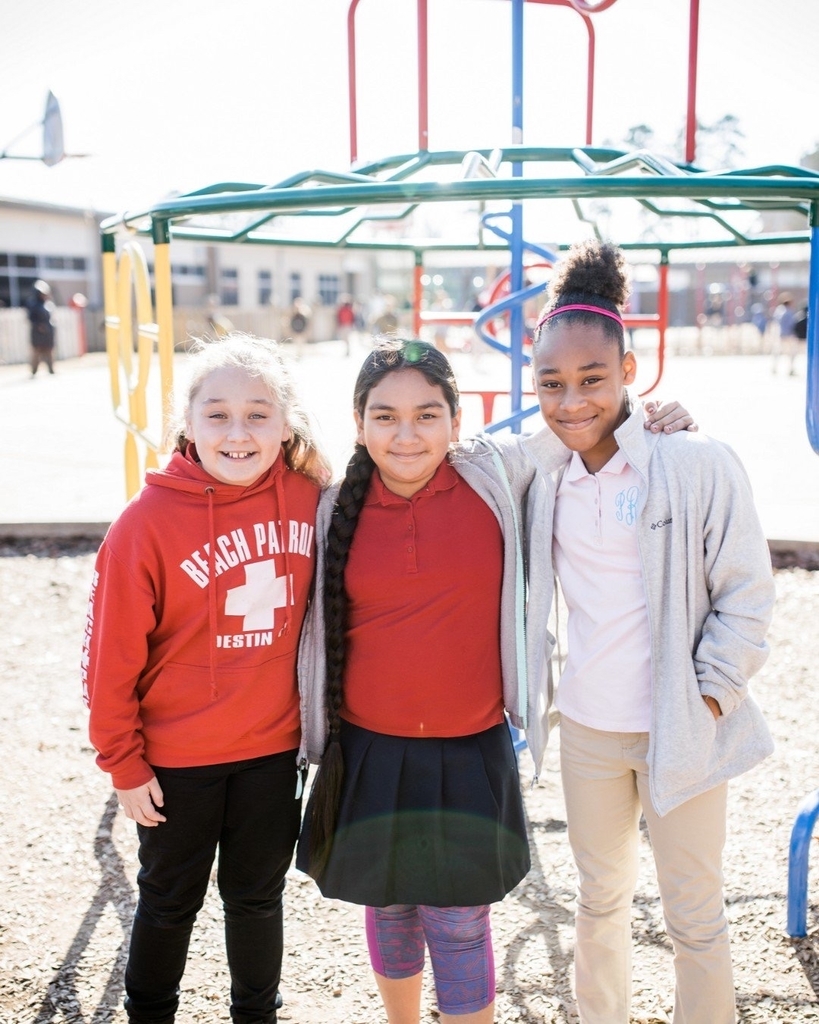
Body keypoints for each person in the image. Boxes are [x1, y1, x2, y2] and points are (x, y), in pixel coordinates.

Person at [295, 339, 693, 1024]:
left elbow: (581, 417)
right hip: (367, 746)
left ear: (457, 419)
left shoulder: (494, 477)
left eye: (427, 414)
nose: (406, 433)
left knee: (457, 921)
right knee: (388, 907)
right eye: (384, 416)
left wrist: (657, 417)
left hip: (468, 744)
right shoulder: (334, 507)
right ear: (358, 422)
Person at [529, 240, 775, 1024]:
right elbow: (432, 450)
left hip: (681, 724)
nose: (572, 400)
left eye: (592, 379)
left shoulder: (693, 461)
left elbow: (746, 593)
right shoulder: (536, 472)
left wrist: (707, 699)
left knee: (693, 910)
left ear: (630, 373)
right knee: (598, 901)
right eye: (552, 383)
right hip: (589, 730)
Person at [81, 333, 331, 1024]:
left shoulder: (314, 500)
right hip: (175, 760)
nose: (238, 431)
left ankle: (257, 1014)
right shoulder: (145, 524)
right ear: (187, 426)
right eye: (216, 413)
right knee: (168, 900)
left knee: (257, 897)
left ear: (287, 425)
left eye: (258, 413)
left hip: (270, 751)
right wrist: (122, 763)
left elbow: (413, 470)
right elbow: (110, 657)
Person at [27, 279, 56, 375]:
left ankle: (51, 369)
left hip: (48, 332)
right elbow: (31, 318)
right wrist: (39, 326)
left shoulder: (48, 304)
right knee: (37, 351)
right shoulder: (33, 304)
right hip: (37, 333)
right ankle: (34, 370)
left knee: (49, 351)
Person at [773, 291, 798, 375]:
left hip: (780, 334)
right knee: (791, 353)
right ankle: (791, 369)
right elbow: (791, 324)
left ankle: (774, 368)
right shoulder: (789, 312)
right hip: (788, 334)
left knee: (778, 352)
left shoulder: (778, 310)